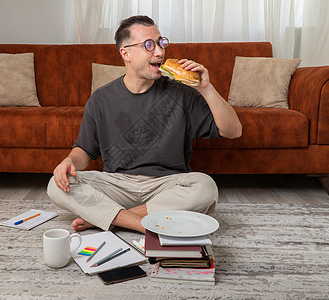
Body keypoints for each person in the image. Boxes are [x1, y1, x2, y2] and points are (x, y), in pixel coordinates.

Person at [47, 15, 241, 234]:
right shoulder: (101, 99)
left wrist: (206, 88)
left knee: (205, 188)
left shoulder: (183, 92)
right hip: (117, 184)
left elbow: (234, 131)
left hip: (166, 185)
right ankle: (141, 223)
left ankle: (108, 218)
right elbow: (85, 150)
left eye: (161, 43)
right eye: (149, 45)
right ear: (125, 53)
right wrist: (68, 161)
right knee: (56, 185)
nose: (160, 52)